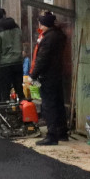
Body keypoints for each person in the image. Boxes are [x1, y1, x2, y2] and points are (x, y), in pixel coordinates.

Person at [29, 11, 68, 145]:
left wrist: (33, 75)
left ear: (45, 24)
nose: (39, 25)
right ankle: (62, 132)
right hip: (56, 73)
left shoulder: (48, 38)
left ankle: (52, 136)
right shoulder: (58, 35)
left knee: (48, 105)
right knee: (58, 103)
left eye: (41, 23)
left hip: (47, 76)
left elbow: (42, 59)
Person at [0, 6, 24, 103]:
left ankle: (7, 111)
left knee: (5, 93)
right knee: (19, 91)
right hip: (18, 62)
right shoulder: (16, 26)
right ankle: (24, 109)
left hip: (4, 65)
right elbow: (21, 41)